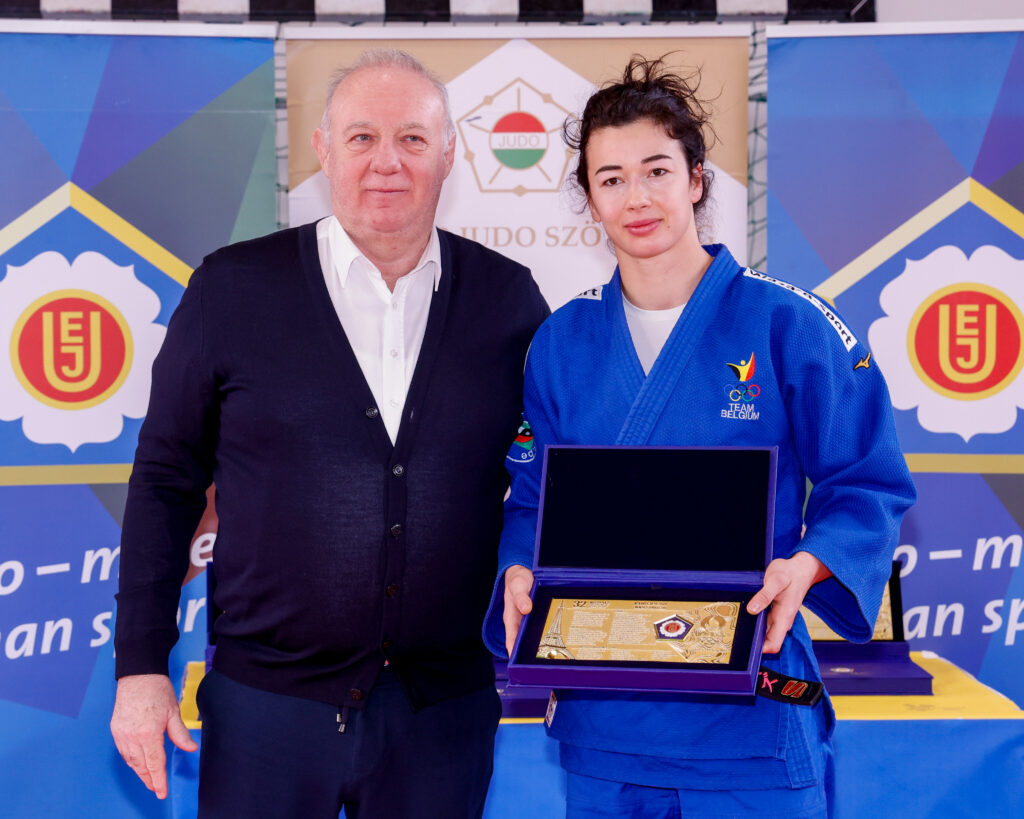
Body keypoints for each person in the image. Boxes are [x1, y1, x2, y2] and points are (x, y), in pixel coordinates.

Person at [110, 50, 549, 819]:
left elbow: (549, 477)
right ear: (322, 150)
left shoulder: (508, 299)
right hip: (265, 712)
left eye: (413, 139)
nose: (387, 161)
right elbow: (164, 480)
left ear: (449, 154)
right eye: (362, 137)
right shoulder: (232, 288)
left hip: (442, 717)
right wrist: (140, 665)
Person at [487, 56, 916, 818]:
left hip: (750, 709)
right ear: (589, 199)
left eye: (657, 170)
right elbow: (532, 501)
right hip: (604, 717)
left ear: (695, 179)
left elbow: (866, 481)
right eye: (611, 178)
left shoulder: (788, 324)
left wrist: (809, 564)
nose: (636, 197)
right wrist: (520, 569)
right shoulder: (561, 341)